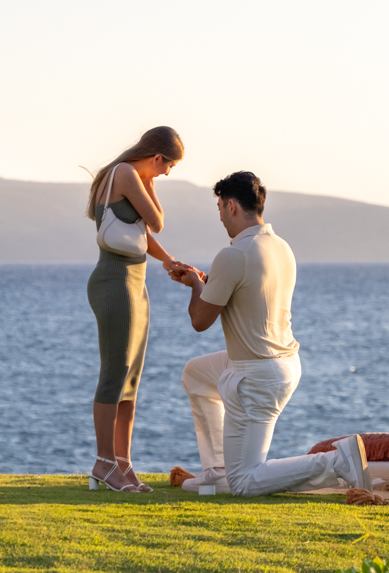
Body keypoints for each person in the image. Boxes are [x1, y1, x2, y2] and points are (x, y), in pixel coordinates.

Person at [170, 171, 370, 496]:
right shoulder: (280, 247)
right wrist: (206, 283)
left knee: (245, 483)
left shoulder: (233, 254)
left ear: (232, 206)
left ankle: (336, 462)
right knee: (196, 373)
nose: (219, 215)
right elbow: (249, 292)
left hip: (257, 375)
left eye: (220, 207)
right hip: (283, 363)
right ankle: (217, 470)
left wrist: (194, 285)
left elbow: (200, 320)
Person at [84, 126, 187, 492]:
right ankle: (104, 462)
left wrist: (170, 261)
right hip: (114, 281)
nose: (166, 174)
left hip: (133, 281)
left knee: (130, 380)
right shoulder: (126, 173)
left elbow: (143, 234)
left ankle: (122, 464)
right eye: (167, 166)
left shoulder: (128, 175)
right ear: (156, 156)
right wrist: (151, 182)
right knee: (115, 373)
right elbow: (156, 220)